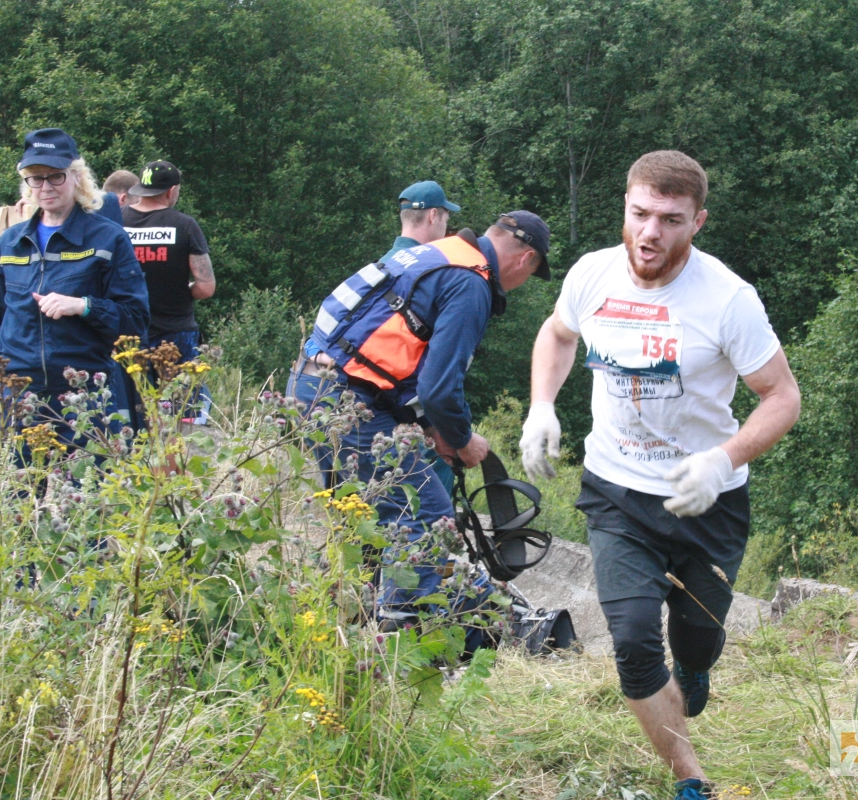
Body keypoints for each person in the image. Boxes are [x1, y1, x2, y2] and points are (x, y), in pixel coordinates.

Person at [520, 151, 800, 800]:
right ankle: (690, 779)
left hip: (709, 502)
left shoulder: (728, 299)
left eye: (670, 220)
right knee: (635, 641)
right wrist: (541, 404)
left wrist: (722, 459)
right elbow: (559, 335)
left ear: (696, 221)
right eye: (639, 213)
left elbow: (782, 396)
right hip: (617, 495)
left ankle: (696, 667)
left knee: (696, 640)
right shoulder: (592, 275)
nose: (649, 233)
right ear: (625, 206)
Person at [300, 211, 551, 624]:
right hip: (351, 400)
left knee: (361, 512)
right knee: (423, 516)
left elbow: (390, 358)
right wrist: (461, 438)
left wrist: (433, 429)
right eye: (530, 275)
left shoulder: (437, 253)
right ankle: (401, 636)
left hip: (311, 386)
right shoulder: (472, 284)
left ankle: (345, 623)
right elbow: (438, 387)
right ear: (526, 261)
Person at [0, 128, 150, 454]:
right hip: (17, 397)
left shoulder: (108, 239)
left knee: (90, 499)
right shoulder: (10, 243)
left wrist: (84, 306)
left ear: (77, 177)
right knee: (17, 502)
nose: (45, 187)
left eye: (56, 176)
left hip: (84, 397)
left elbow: (136, 320)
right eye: (35, 179)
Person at [295, 179, 462, 490]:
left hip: (311, 382)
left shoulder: (382, 266)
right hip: (366, 401)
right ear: (433, 216)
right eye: (447, 216)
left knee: (344, 495)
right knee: (434, 473)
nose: (448, 224)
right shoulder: (428, 276)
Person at [122, 160, 215, 423]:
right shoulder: (185, 226)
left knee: (131, 414)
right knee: (180, 416)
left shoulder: (115, 222)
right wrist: (183, 289)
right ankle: (173, 464)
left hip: (126, 337)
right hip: (175, 335)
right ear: (172, 191)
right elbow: (206, 287)